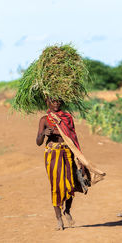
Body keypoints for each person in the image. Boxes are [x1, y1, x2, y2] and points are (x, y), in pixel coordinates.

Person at [36, 98, 80, 231]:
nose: (56, 104)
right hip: (52, 153)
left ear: (62, 103)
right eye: (53, 101)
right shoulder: (44, 119)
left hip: (67, 152)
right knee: (56, 186)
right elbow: (38, 142)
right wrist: (44, 133)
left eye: (59, 102)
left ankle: (67, 210)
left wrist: (78, 156)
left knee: (70, 184)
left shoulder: (67, 118)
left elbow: (73, 137)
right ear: (47, 103)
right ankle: (59, 218)